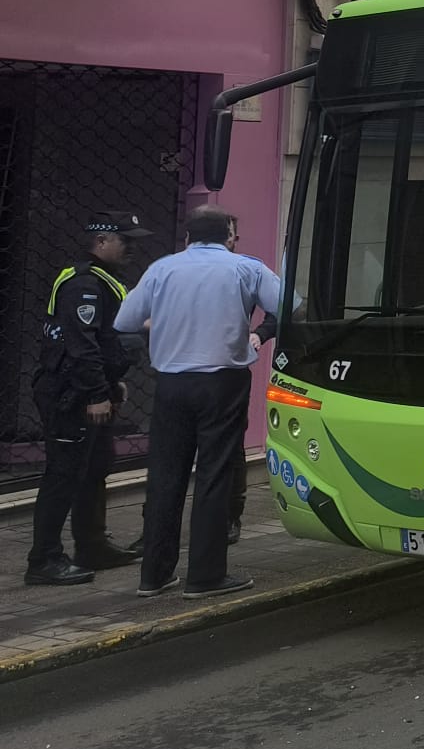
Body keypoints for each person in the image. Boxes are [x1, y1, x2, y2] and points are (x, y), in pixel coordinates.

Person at [115, 205, 280, 597]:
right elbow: (290, 305)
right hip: (223, 383)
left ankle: (154, 575)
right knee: (214, 475)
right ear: (228, 237)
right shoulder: (247, 268)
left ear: (187, 238)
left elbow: (124, 321)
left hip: (171, 383)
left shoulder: (162, 269)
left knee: (165, 476)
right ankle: (205, 576)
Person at [24, 213, 153, 585]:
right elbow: (82, 346)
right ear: (101, 242)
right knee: (63, 474)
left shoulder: (103, 281)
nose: (131, 247)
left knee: (95, 467)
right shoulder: (83, 284)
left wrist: (111, 386)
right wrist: (97, 392)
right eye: (125, 240)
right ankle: (44, 559)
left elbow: (106, 340)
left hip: (87, 389)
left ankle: (92, 545)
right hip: (71, 394)